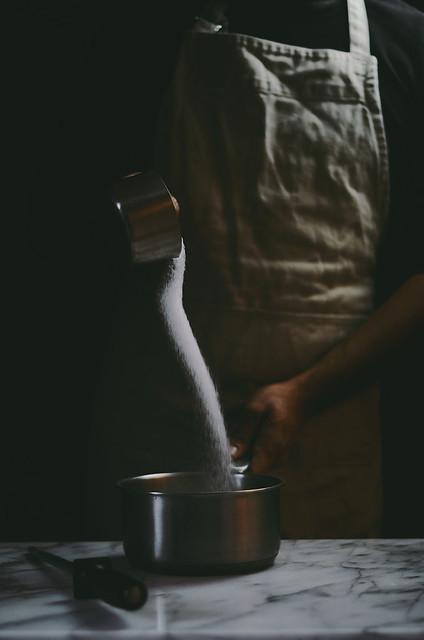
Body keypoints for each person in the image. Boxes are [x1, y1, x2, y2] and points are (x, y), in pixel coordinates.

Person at [87, 0, 424, 539]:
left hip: (324, 428)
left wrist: (307, 392)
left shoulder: (407, 42)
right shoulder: (155, 26)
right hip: (164, 419)